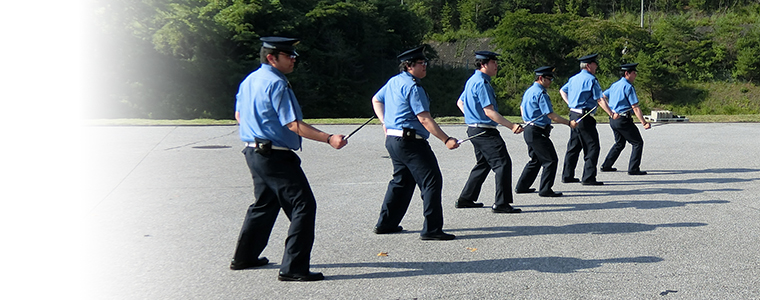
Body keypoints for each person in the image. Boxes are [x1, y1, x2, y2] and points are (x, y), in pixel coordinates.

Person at [230, 37, 347, 282]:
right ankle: (293, 267)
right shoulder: (278, 84)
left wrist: (259, 130)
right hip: (275, 156)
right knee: (303, 206)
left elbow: (239, 115)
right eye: (288, 54)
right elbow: (293, 124)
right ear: (271, 57)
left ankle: (245, 257)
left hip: (253, 151)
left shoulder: (249, 80)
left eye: (294, 54)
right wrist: (329, 138)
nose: (294, 58)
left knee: (265, 204)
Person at [371, 46, 460, 241]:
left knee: (401, 181)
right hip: (411, 142)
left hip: (393, 140)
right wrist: (446, 139)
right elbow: (424, 119)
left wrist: (385, 123)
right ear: (409, 66)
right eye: (422, 63)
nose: (425, 66)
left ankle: (386, 223)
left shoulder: (394, 81)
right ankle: (432, 228)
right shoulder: (413, 87)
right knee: (431, 181)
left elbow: (376, 99)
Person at [455, 51, 524, 213]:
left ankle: (466, 198)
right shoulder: (482, 84)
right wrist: (512, 126)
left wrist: (472, 117)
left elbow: (460, 102)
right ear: (484, 64)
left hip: (474, 129)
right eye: (494, 62)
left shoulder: (472, 80)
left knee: (483, 164)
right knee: (502, 163)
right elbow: (489, 112)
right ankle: (501, 203)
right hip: (485, 131)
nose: (497, 66)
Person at [515, 66, 577, 197]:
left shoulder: (529, 90)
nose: (551, 81)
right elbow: (551, 115)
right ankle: (545, 189)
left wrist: (527, 119)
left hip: (529, 129)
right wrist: (569, 123)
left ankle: (522, 186)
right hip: (537, 131)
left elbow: (521, 107)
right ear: (540, 78)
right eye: (549, 79)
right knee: (550, 160)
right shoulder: (541, 93)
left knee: (536, 159)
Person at [559, 54, 614, 186]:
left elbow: (562, 90)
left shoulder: (573, 78)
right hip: (584, 116)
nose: (597, 66)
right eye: (595, 63)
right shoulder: (591, 79)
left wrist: (570, 103)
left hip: (573, 114)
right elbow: (600, 99)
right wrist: (611, 113)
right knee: (592, 146)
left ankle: (567, 175)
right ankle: (588, 177)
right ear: (589, 65)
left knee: (574, 146)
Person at [600, 63, 651, 175]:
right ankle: (633, 168)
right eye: (634, 73)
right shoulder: (628, 86)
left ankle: (606, 165)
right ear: (627, 73)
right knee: (637, 143)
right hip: (623, 120)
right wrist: (644, 122)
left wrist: (611, 110)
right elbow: (635, 107)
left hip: (613, 119)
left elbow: (603, 96)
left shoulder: (615, 85)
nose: (635, 75)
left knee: (619, 143)